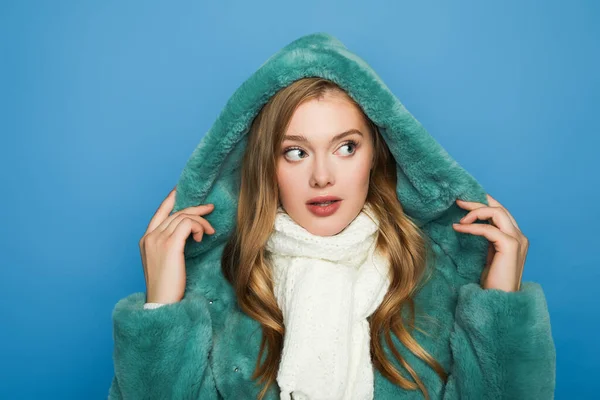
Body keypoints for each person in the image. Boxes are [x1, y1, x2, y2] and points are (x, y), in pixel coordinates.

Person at [108, 32, 556, 400]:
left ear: (377, 156)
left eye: (346, 147)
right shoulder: (221, 290)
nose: (322, 176)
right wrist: (161, 308)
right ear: (267, 166)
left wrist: (501, 306)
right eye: (296, 152)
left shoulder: (435, 279)